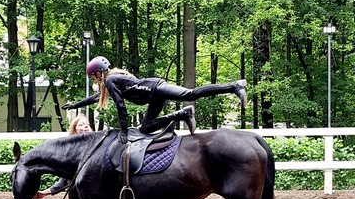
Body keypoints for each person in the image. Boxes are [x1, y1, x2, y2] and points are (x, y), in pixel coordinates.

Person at [62, 57, 247, 143]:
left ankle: (235, 86)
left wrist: (124, 131)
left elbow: (120, 106)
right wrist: (76, 105)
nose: (93, 80)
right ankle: (183, 114)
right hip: (153, 97)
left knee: (190, 94)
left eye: (93, 77)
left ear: (97, 72)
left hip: (156, 87)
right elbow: (97, 97)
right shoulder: (111, 82)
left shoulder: (110, 80)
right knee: (146, 128)